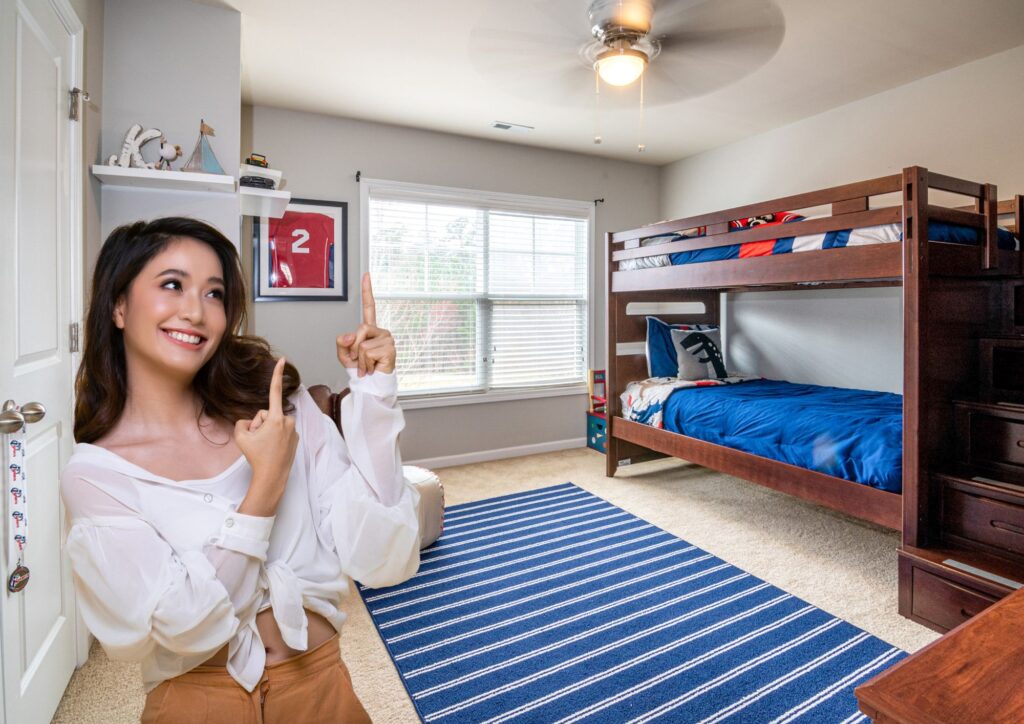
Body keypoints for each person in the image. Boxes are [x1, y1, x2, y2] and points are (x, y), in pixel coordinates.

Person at [59, 217, 421, 722]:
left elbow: (383, 558)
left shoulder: (279, 405)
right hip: (195, 702)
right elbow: (182, 623)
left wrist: (374, 395)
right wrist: (265, 488)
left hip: (320, 685)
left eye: (214, 294)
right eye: (172, 285)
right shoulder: (96, 475)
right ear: (118, 306)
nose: (196, 311)